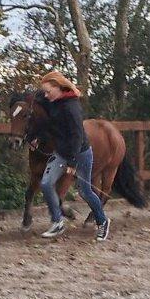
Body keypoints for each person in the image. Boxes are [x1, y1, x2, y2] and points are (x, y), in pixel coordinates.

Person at [36, 71, 111, 241]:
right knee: (46, 184)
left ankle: (102, 221)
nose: (46, 95)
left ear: (58, 87)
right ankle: (57, 222)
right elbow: (38, 100)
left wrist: (71, 163)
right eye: (44, 92)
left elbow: (77, 137)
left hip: (80, 153)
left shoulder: (71, 108)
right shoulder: (52, 100)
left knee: (85, 191)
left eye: (48, 91)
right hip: (61, 152)